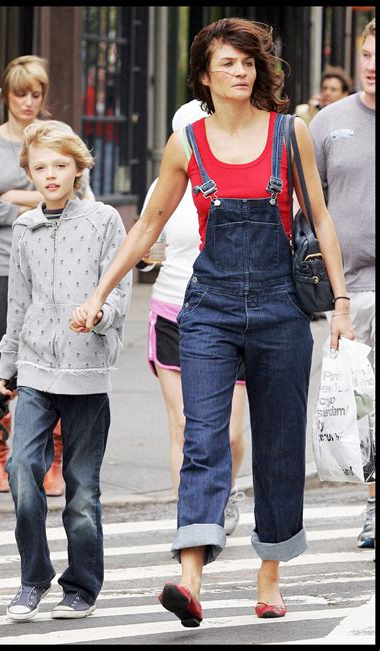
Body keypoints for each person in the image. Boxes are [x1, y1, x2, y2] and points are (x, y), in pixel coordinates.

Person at [71, 17, 354, 627]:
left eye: (248, 62)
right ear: (204, 74)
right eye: (227, 63)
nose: (240, 71)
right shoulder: (187, 143)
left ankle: (270, 573)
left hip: (282, 310)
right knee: (203, 438)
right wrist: (99, 292)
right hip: (210, 311)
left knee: (279, 444)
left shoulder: (289, 133)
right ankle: (190, 576)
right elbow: (147, 225)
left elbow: (322, 221)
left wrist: (342, 305)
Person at [0, 121, 132, 621]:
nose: (50, 175)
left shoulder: (104, 221)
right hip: (34, 369)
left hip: (87, 372)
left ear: (79, 167)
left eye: (59, 165)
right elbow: (18, 303)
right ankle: (33, 578)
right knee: (21, 473)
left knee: (81, 489)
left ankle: (82, 586)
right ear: (29, 172)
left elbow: (118, 290)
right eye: (39, 167)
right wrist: (7, 366)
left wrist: (99, 314)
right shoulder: (24, 227)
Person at [0, 55, 93, 495]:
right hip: (1, 265)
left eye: (36, 94)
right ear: (6, 94)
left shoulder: (58, 138)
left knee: (57, 353)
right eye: (20, 93)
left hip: (58, 266)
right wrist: (42, 195)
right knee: (2, 357)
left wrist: (18, 192)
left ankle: (53, 459)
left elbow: (80, 194)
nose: (28, 102)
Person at [138, 99, 247, 533]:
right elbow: (146, 244)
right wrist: (147, 257)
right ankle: (191, 517)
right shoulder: (163, 186)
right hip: (172, 309)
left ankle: (227, 489)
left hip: (229, 311)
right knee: (183, 425)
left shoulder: (236, 179)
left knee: (230, 433)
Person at [310, 19, 375, 549]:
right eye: (368, 55)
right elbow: (309, 208)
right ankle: (375, 506)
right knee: (365, 406)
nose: (373, 66)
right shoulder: (329, 122)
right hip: (350, 291)